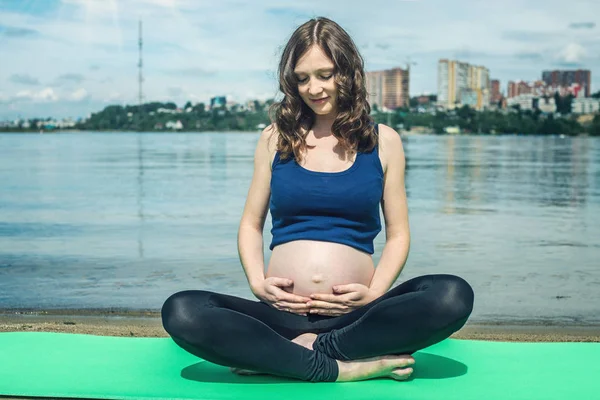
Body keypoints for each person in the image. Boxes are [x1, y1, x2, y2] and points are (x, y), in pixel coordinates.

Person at [161, 17, 474, 383]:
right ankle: (341, 369)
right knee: (182, 310)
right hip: (280, 314)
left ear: (348, 72)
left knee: (451, 294)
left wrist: (373, 293)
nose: (314, 88)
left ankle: (290, 357)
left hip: (354, 316)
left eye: (325, 75)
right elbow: (250, 224)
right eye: (302, 78)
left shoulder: (384, 141)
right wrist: (257, 281)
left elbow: (399, 233)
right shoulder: (274, 139)